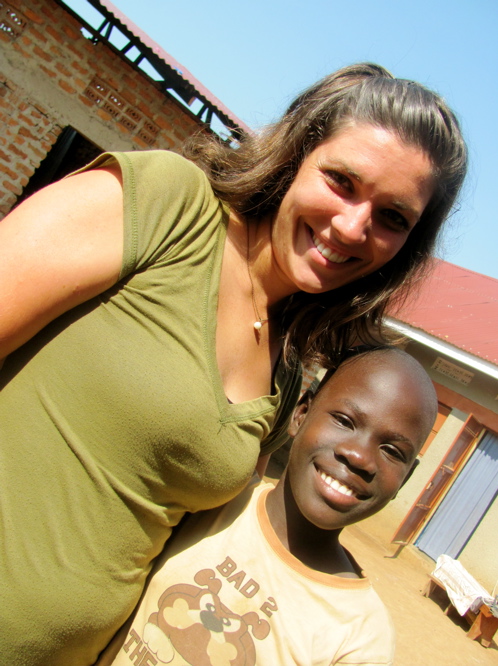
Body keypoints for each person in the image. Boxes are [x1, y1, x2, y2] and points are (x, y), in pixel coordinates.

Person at [0, 63, 466, 665]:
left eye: (392, 218)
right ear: (297, 154)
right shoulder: (169, 210)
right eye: (342, 181)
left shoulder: (286, 375)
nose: (353, 227)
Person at [96, 346, 438, 666]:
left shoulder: (361, 636)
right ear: (301, 414)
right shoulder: (211, 499)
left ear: (406, 479)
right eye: (344, 421)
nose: (359, 456)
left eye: (393, 451)